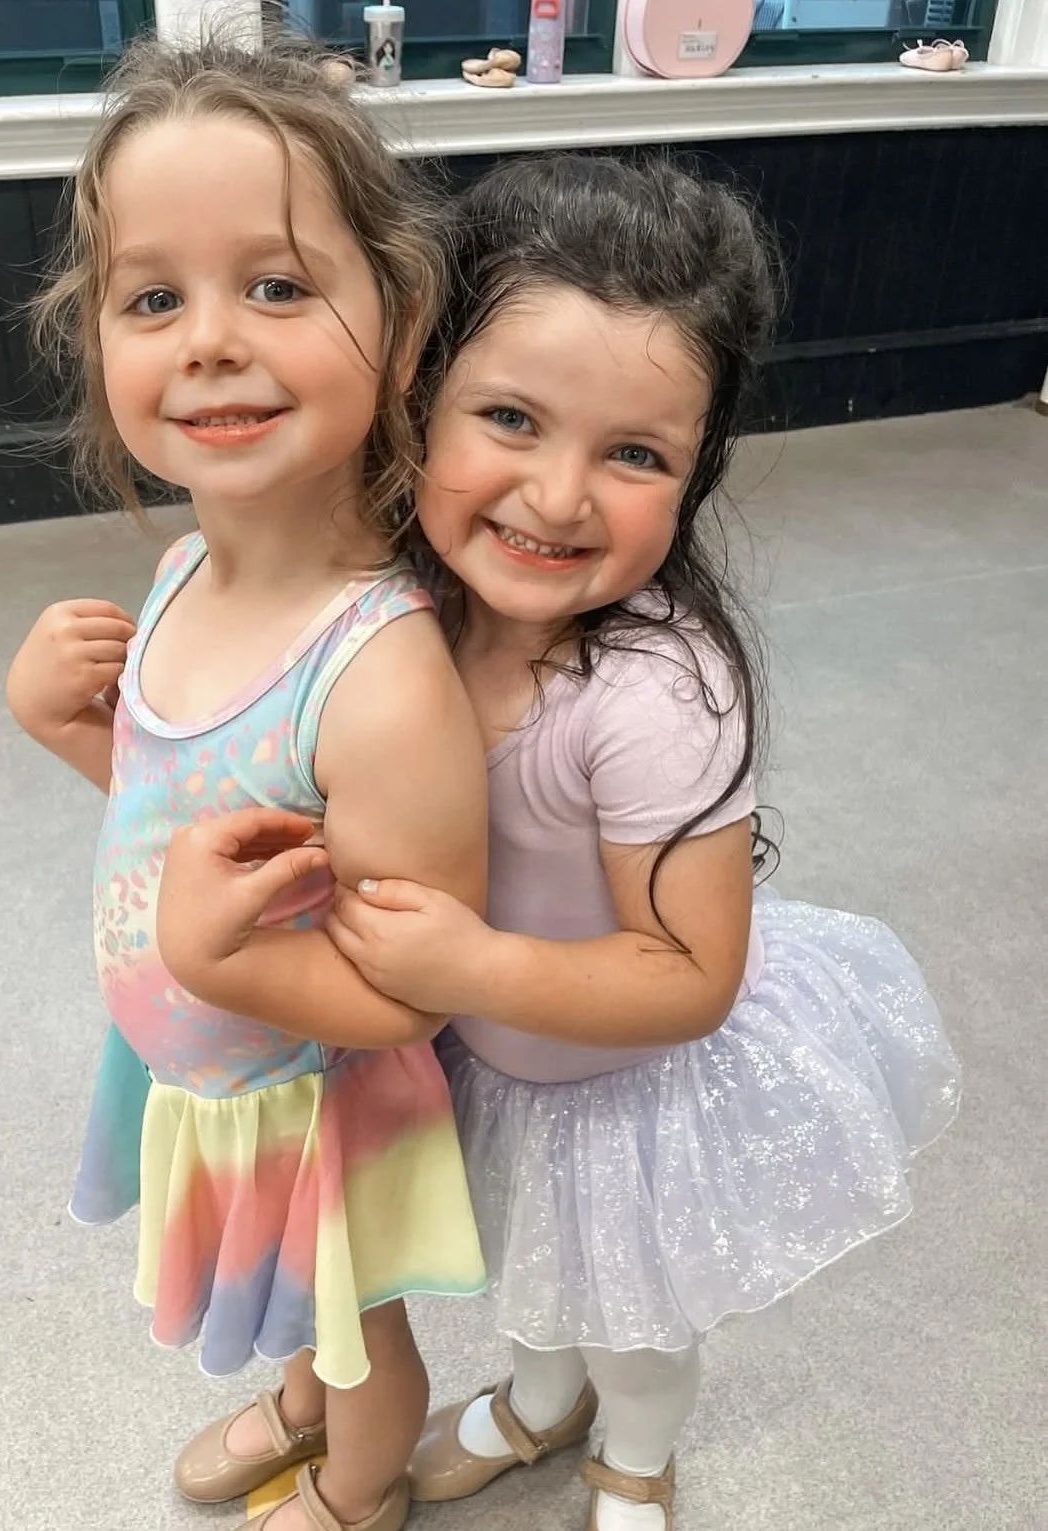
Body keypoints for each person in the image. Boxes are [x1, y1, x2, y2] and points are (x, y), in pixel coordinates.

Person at [325, 154, 961, 1531]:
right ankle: (540, 1403)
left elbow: (689, 976)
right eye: (508, 416)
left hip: (625, 1075)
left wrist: (472, 959)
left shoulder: (658, 695)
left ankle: (634, 1459)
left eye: (635, 453)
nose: (557, 498)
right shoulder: (403, 608)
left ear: (697, 471)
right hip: (493, 1041)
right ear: (419, 402)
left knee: (634, 1315)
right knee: (532, 1268)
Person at [5, 38, 488, 1531]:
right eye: (155, 298)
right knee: (293, 1309)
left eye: (277, 286)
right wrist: (63, 728)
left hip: (313, 1096)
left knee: (361, 1327)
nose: (209, 339)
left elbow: (411, 992)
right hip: (202, 1063)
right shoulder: (172, 577)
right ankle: (296, 1393)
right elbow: (182, 814)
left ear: (399, 327)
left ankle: (358, 1484)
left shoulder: (382, 676)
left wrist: (219, 957)